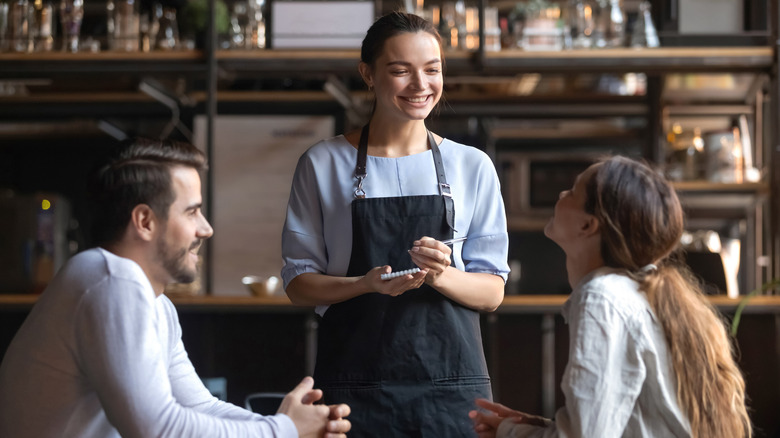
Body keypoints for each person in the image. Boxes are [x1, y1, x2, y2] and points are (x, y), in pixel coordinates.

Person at [0, 138, 351, 438]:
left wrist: (289, 426)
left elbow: (198, 406)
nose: (206, 228)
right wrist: (282, 430)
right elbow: (159, 429)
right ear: (145, 221)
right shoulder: (111, 279)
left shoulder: (153, 302)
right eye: (192, 212)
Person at [281, 11, 510, 437]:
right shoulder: (323, 162)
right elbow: (298, 282)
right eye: (401, 71)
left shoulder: (472, 166)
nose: (421, 85)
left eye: (432, 70)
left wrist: (441, 276)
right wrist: (364, 284)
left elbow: (492, 290)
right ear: (368, 74)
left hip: (450, 388)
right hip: (353, 386)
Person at [469, 156, 752, 438]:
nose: (561, 194)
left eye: (573, 191)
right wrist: (539, 426)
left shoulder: (601, 298)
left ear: (587, 226)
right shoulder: (629, 291)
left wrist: (509, 432)